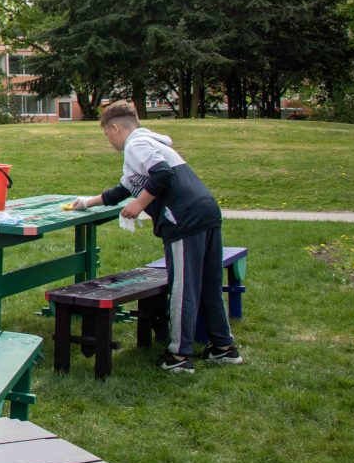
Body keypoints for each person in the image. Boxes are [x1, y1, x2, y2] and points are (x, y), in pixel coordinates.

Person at [68, 101, 241, 374]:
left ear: (115, 128)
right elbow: (122, 189)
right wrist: (87, 202)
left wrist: (139, 205)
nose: (108, 140)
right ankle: (223, 348)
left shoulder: (135, 145)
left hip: (184, 220)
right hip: (207, 211)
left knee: (183, 288)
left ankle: (180, 357)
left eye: (106, 134)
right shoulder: (152, 143)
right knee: (209, 283)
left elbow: (162, 174)